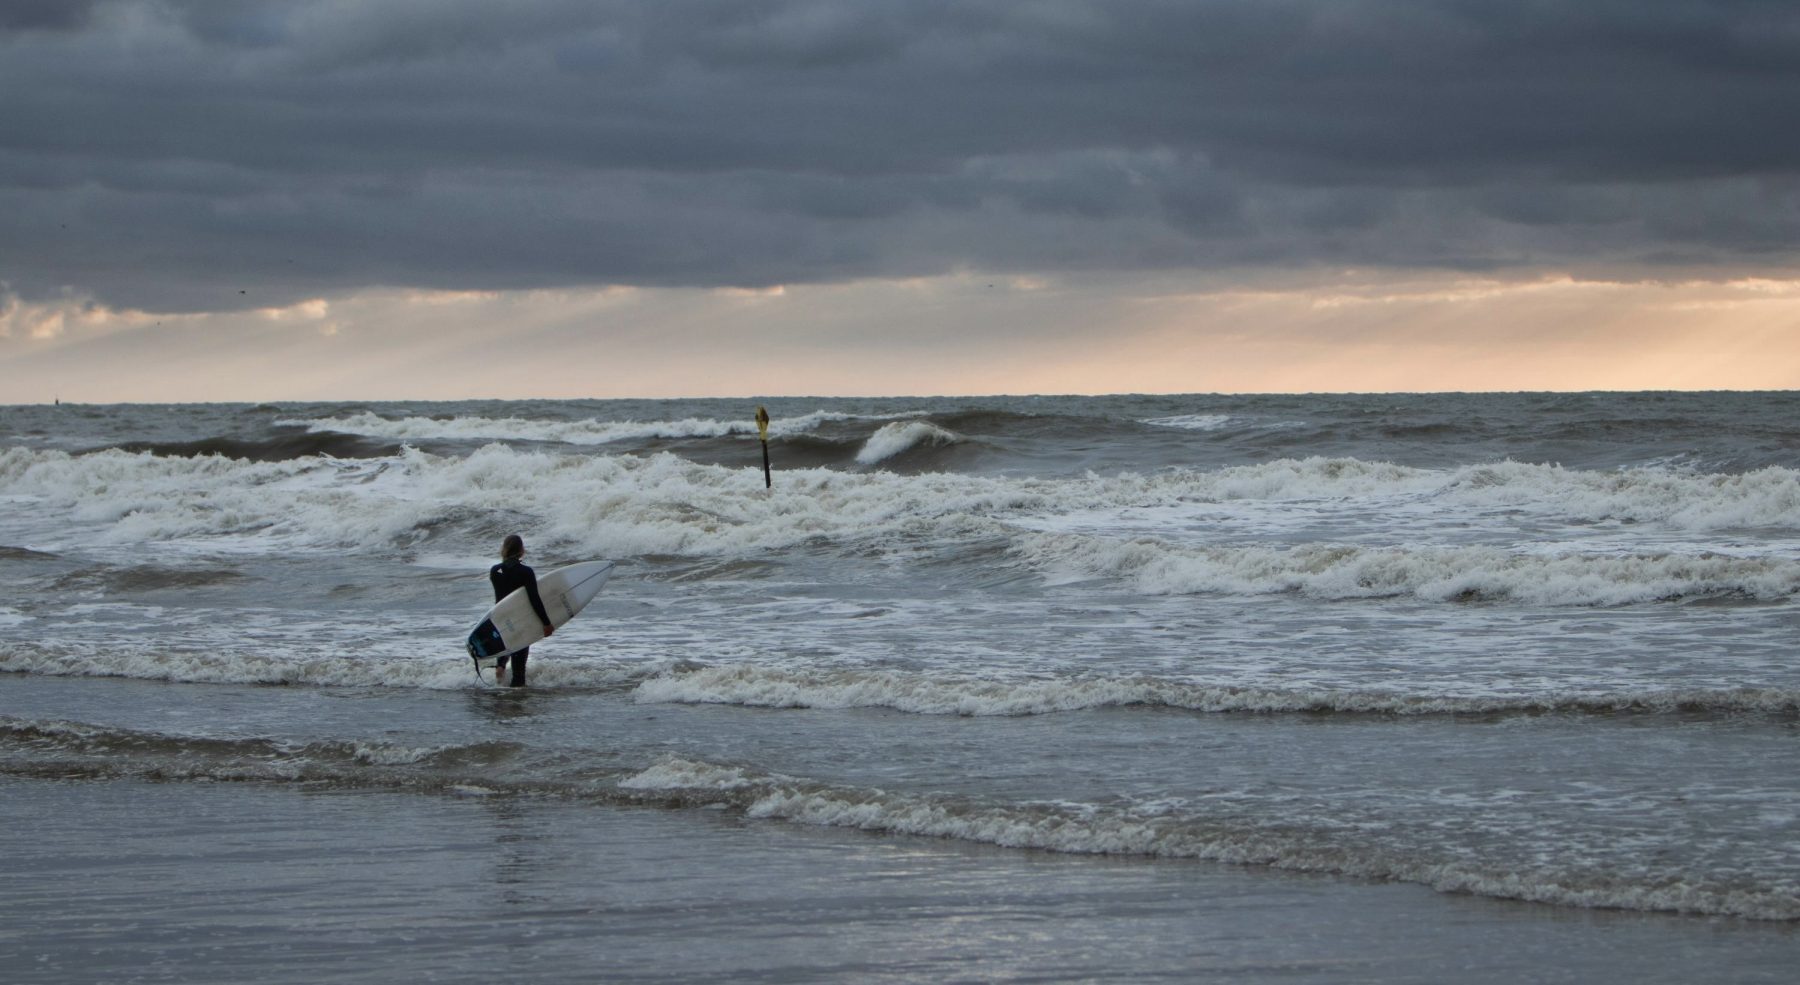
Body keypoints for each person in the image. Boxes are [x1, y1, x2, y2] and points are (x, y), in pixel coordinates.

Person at [489, 534, 553, 687]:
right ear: (521, 550)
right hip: (520, 619)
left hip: (501, 617)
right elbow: (534, 599)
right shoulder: (526, 572)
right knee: (519, 671)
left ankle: (500, 666)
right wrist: (546, 623)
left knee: (507, 646)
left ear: (504, 549)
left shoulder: (494, 571)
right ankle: (516, 704)